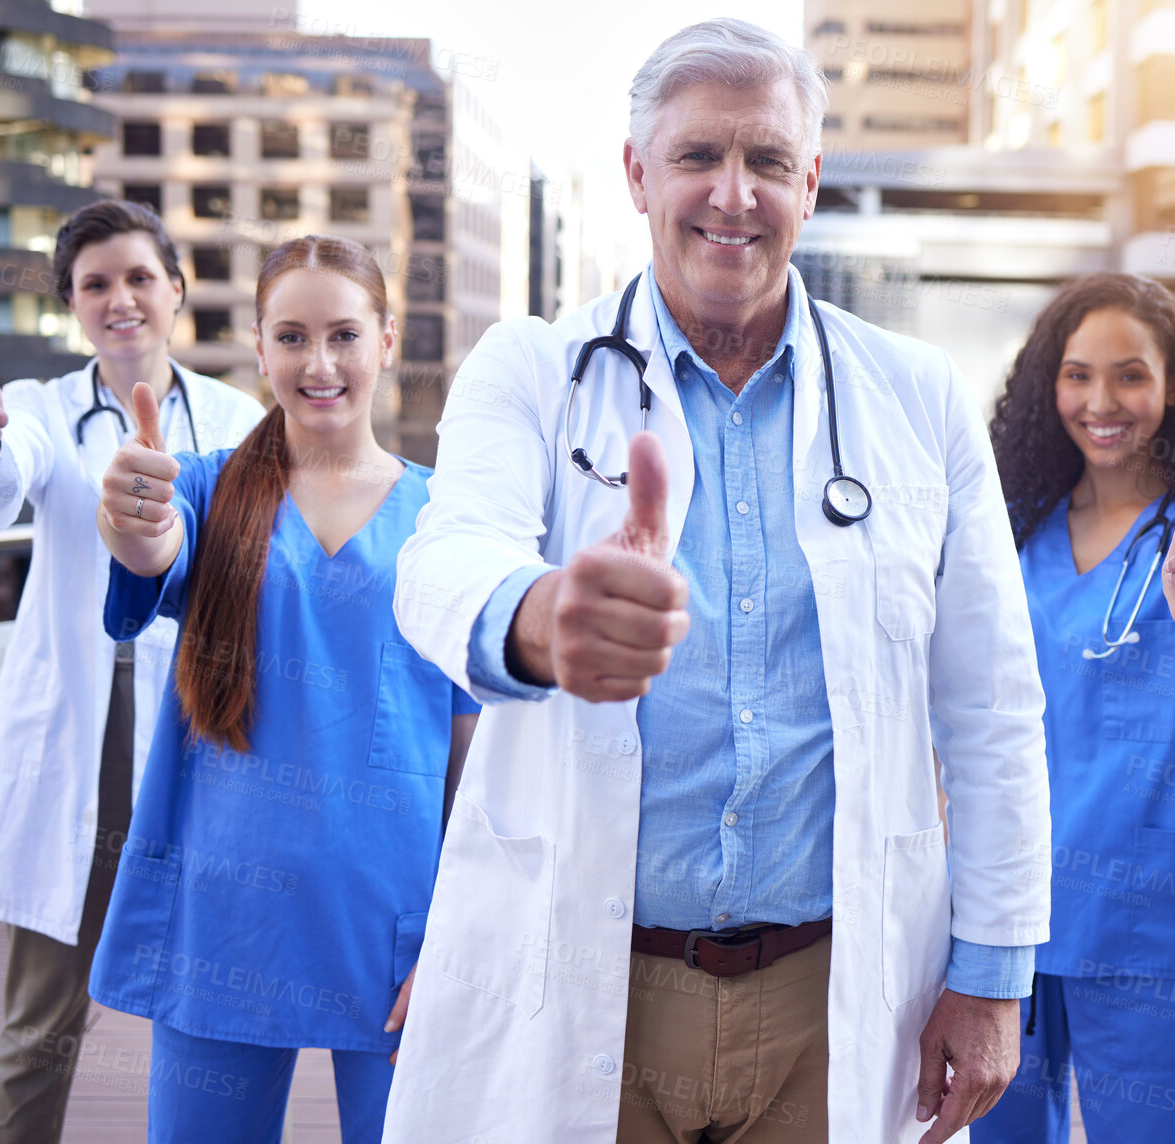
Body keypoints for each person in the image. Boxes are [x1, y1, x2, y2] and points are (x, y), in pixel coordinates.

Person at [382, 18, 1051, 1144]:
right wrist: (545, 619)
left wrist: (991, 974)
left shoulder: (920, 397)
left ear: (812, 181)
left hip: (832, 996)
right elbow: (443, 565)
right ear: (638, 174)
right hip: (591, 975)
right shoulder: (532, 370)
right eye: (697, 157)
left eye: (768, 161)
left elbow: (990, 705)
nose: (732, 195)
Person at [88, 235, 478, 1144]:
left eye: (343, 334)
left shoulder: (448, 519)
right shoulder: (201, 489)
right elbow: (152, 548)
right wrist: (132, 516)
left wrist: (465, 932)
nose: (320, 362)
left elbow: (470, 758)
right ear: (259, 351)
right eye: (292, 337)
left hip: (398, 926)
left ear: (386, 339)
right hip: (227, 925)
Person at [0, 200, 266, 1144]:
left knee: (203, 1006)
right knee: (40, 1024)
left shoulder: (240, 419)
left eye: (136, 278)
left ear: (174, 288)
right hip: (77, 739)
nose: (118, 299)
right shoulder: (39, 409)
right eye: (94, 285)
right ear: (74, 306)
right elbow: (0, 480)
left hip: (197, 728)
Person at [970, 273, 1175, 1144]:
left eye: (1129, 375)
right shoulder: (1010, 528)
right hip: (1009, 918)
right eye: (1077, 375)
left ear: (1172, 383)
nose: (1100, 401)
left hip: (1151, 925)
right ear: (1049, 385)